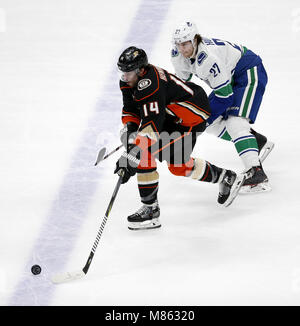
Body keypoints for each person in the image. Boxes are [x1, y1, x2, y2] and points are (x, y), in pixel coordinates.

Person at [114, 46, 246, 231]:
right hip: (171, 115)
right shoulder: (129, 81)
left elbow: (152, 125)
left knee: (145, 150)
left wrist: (133, 154)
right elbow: (130, 110)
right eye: (123, 72)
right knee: (178, 167)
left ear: (141, 70)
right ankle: (226, 177)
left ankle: (150, 209)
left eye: (129, 72)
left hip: (190, 116)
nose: (124, 77)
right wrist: (130, 130)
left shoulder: (150, 84)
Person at [170, 21, 274, 193]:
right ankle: (254, 141)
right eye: (178, 44)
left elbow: (225, 97)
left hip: (247, 71)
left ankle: (256, 173)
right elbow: (181, 87)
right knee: (210, 123)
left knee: (235, 123)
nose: (181, 48)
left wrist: (200, 119)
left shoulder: (209, 58)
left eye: (185, 43)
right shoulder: (178, 55)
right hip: (228, 78)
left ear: (195, 40)